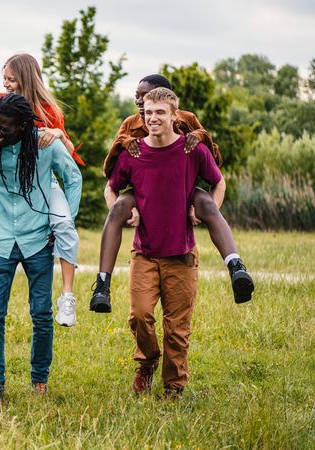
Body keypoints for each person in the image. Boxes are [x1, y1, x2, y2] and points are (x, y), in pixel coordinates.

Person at [90, 74, 254, 312]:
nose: (140, 102)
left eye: (144, 96)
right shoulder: (131, 122)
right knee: (119, 207)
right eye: (138, 98)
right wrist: (127, 143)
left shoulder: (186, 118)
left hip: (182, 185)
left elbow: (209, 149)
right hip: (143, 186)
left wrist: (196, 137)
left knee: (206, 204)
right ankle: (102, 286)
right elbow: (112, 164)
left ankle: (236, 266)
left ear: (168, 101)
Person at [0, 93, 82, 401]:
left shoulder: (45, 145)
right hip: (1, 239)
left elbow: (73, 177)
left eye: (5, 127)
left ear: (24, 127)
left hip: (37, 238)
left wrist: (64, 218)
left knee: (41, 314)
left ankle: (39, 379)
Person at [108, 87, 223, 399]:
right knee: (139, 315)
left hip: (182, 254)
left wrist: (207, 210)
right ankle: (147, 361)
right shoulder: (134, 153)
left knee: (177, 327)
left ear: (175, 116)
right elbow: (111, 187)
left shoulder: (192, 151)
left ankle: (174, 386)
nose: (153, 117)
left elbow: (218, 181)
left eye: (160, 112)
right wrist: (122, 211)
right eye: (148, 112)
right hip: (144, 252)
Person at [0, 53, 82, 336]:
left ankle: (67, 297)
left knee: (63, 223)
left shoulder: (48, 110)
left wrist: (59, 136)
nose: (6, 84)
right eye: (4, 79)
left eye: (11, 79)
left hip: (42, 183)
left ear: (26, 78)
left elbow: (69, 157)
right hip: (3, 189)